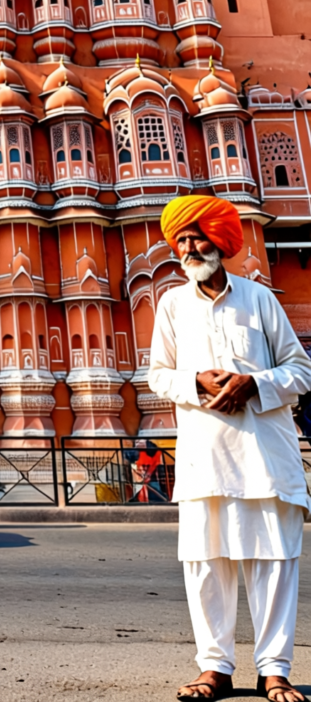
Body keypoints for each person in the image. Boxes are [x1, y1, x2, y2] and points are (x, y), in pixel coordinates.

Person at [151, 194, 311, 702]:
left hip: (264, 453)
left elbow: (300, 369)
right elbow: (156, 376)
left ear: (221, 241)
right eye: (182, 240)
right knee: (205, 563)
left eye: (198, 237)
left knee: (272, 563)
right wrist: (195, 380)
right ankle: (213, 668)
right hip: (204, 455)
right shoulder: (171, 304)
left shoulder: (259, 299)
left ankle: (275, 670)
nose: (190, 247)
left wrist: (254, 383)